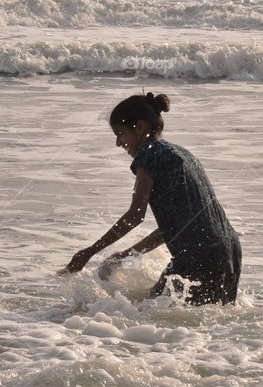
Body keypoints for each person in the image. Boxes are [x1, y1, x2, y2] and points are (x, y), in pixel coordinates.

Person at [64, 92, 242, 305]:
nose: (118, 143)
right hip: (229, 249)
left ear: (139, 128)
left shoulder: (148, 156)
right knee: (212, 321)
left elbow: (135, 215)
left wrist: (89, 252)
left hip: (196, 255)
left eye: (120, 133)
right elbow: (179, 225)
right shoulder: (182, 154)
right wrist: (129, 254)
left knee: (144, 315)